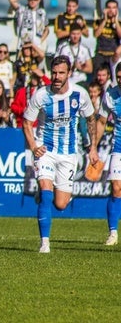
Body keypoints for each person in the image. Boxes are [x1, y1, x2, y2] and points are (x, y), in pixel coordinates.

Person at [23, 55, 98, 253]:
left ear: (69, 73)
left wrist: (93, 148)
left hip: (68, 154)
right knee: (47, 195)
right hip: (45, 150)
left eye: (61, 73)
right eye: (54, 72)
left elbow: (91, 119)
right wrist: (33, 147)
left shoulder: (80, 94)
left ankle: (48, 195)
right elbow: (26, 122)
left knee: (61, 204)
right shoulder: (41, 95)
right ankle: (45, 243)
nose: (56, 76)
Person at [96, 63, 121, 245]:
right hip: (118, 148)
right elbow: (101, 121)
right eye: (118, 77)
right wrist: (92, 148)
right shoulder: (111, 96)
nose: (120, 80)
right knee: (116, 188)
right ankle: (113, 232)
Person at [93, 0, 121, 76]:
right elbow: (96, 34)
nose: (111, 10)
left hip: (113, 56)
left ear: (117, 9)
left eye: (114, 7)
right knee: (98, 77)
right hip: (100, 54)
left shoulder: (119, 23)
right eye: (109, 7)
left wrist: (115, 20)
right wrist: (104, 20)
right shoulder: (98, 22)